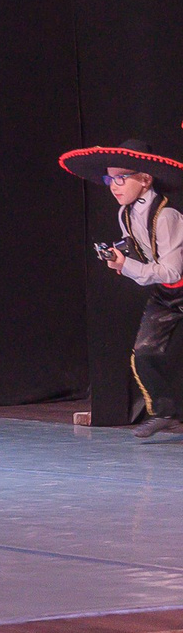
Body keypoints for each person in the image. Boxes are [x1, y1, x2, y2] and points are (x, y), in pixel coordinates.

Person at [60, 137, 183, 438]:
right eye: (109, 179)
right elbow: (144, 255)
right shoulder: (124, 213)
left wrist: (128, 266)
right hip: (167, 294)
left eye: (121, 178)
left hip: (176, 282)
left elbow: (172, 269)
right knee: (144, 353)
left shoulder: (166, 216)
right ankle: (166, 413)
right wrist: (120, 258)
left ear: (145, 179)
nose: (113, 186)